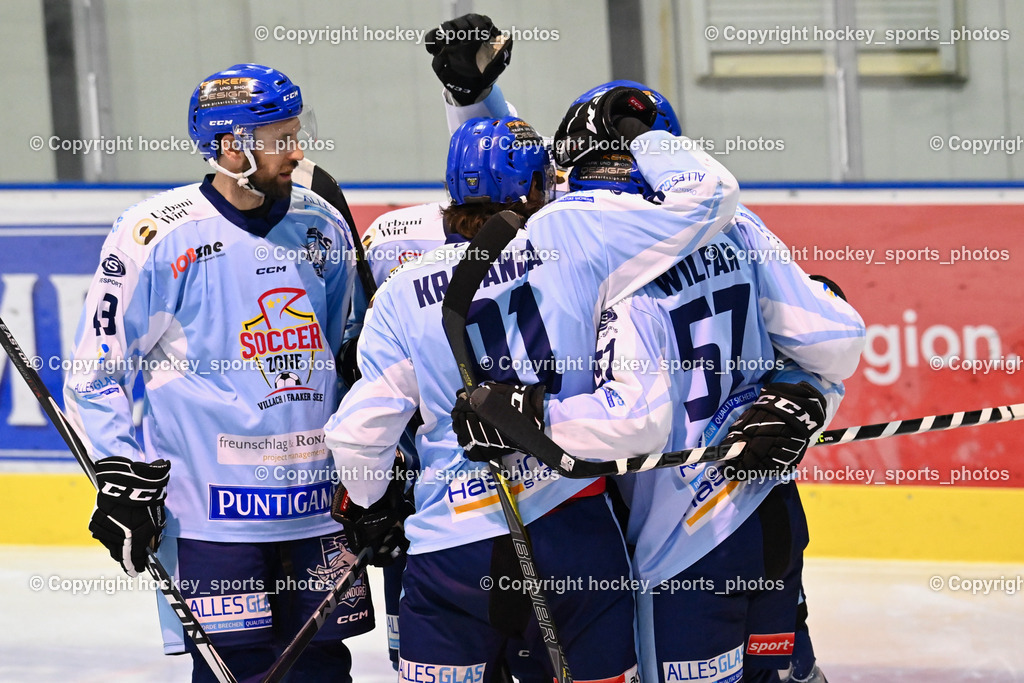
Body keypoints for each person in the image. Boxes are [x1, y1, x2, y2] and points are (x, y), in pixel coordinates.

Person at [324, 85, 739, 681]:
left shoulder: (398, 293)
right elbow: (708, 200)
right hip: (573, 536)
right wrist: (646, 138)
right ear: (539, 185)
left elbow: (361, 437)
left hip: (450, 551)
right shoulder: (580, 237)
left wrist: (368, 508)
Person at [454, 103, 865, 680]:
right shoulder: (734, 224)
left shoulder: (590, 245)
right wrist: (806, 392)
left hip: (680, 543)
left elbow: (635, 422)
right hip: (771, 516)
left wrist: (527, 415)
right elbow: (836, 341)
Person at [63, 63, 372, 682]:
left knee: (322, 671)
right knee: (234, 671)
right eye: (280, 138)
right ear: (232, 147)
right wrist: (119, 476)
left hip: (318, 510)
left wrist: (379, 472)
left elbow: (357, 358)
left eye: (296, 133)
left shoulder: (321, 225)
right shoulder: (155, 235)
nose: (297, 151)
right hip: (211, 518)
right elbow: (95, 373)